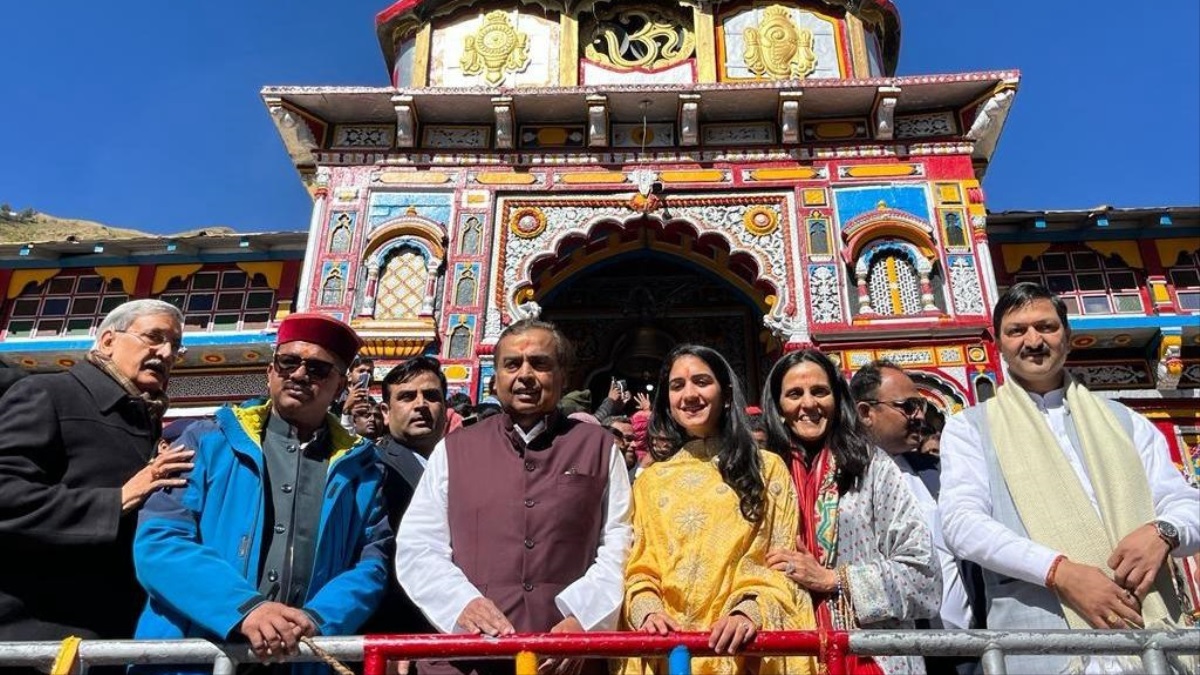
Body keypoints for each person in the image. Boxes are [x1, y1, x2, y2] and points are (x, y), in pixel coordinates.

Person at [940, 282, 1199, 674]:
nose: (1033, 340)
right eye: (1017, 330)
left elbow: (1186, 503)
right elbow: (962, 524)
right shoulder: (970, 429)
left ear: (1068, 337)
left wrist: (1163, 531)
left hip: (1150, 643)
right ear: (999, 344)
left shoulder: (1125, 422)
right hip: (1049, 649)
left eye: (1046, 327)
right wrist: (1059, 572)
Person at [133, 313, 391, 666]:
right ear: (270, 372)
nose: (300, 374)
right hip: (196, 654)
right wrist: (245, 609)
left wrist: (317, 619)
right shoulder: (206, 442)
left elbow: (370, 563)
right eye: (288, 362)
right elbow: (160, 541)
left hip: (300, 655)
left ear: (341, 387)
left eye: (317, 369)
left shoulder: (360, 469)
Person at [396, 319, 631, 675]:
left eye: (539, 363)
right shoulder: (456, 449)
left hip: (564, 655)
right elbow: (420, 545)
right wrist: (463, 604)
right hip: (469, 654)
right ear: (495, 379)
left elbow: (619, 542)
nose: (525, 375)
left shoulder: (597, 447)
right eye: (512, 364)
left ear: (563, 376)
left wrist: (583, 617)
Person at [0, 299, 190, 641]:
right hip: (33, 634)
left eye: (175, 346)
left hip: (113, 636)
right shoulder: (49, 394)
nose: (165, 353)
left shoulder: (147, 423)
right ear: (107, 341)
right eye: (153, 337)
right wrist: (116, 500)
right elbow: (5, 496)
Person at [620, 345, 817, 675]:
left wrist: (748, 611)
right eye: (677, 385)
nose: (689, 395)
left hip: (742, 649)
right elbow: (639, 565)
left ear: (726, 395)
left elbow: (779, 559)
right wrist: (648, 612)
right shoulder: (650, 482)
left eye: (701, 381)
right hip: (671, 652)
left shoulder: (767, 469)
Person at [761, 349, 939, 675]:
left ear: (837, 399)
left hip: (869, 656)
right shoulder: (761, 476)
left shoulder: (871, 468)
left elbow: (924, 577)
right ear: (778, 408)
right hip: (783, 654)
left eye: (820, 391)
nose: (809, 404)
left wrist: (833, 579)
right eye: (794, 394)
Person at [851, 361, 978, 675]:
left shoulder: (938, 471)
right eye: (908, 407)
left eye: (920, 405)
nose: (920, 415)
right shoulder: (846, 486)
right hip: (902, 651)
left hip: (972, 649)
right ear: (866, 412)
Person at [363, 356, 448, 637]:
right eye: (407, 397)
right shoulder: (375, 467)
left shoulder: (455, 464)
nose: (421, 405)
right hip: (397, 628)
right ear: (385, 412)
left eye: (432, 396)